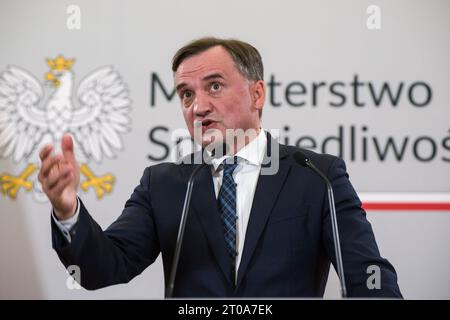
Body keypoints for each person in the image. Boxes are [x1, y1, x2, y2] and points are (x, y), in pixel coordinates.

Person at [38, 37, 402, 297]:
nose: (197, 107)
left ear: (257, 94)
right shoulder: (163, 184)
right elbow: (102, 268)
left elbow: (367, 277)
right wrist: (67, 210)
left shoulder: (316, 176)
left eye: (214, 86)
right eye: (186, 94)